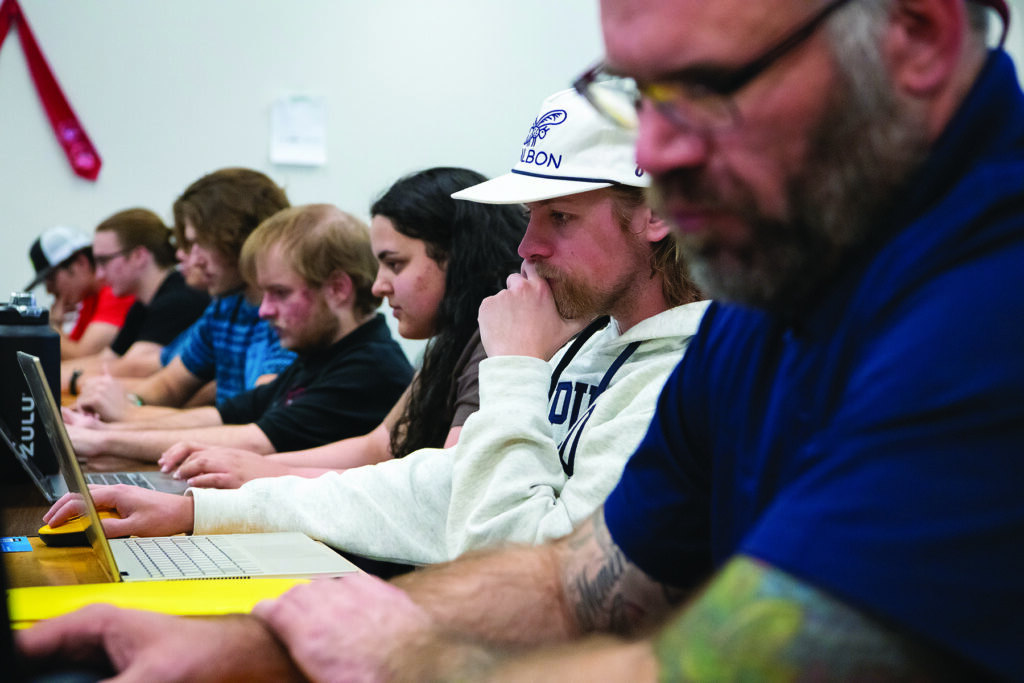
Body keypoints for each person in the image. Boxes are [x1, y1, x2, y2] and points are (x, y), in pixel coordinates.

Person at [19, 0, 1024, 680]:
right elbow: (574, 572)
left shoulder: (987, 306)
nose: (657, 152)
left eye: (704, 86)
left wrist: (397, 655)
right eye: (633, 92)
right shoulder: (777, 299)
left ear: (916, 34)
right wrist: (260, 645)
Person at [43, 87, 708, 570]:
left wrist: (515, 369)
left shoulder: (691, 372)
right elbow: (434, 488)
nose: (527, 245)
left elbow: (530, 570)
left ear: (657, 213)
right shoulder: (593, 343)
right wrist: (197, 512)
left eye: (559, 217)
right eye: (529, 217)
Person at [156, 166, 527, 487]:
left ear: (459, 257)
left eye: (394, 264)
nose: (379, 286)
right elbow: (379, 446)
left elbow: (447, 482)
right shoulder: (450, 342)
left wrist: (266, 472)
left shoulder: (491, 347)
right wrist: (253, 466)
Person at [62, 204, 413, 462]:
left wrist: (106, 440)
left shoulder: (368, 368)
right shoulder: (320, 356)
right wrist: (104, 432)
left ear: (337, 289)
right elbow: (223, 416)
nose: (263, 310)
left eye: (281, 293)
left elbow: (254, 440)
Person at [74, 167, 296, 416]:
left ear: (240, 239)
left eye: (198, 243)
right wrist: (126, 403)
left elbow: (255, 419)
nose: (191, 257)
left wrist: (127, 413)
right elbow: (169, 385)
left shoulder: (288, 315)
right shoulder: (224, 308)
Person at [59, 208, 211, 394]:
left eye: (104, 260)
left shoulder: (181, 297)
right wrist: (48, 374)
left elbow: (136, 366)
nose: (98, 274)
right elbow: (108, 359)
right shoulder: (142, 304)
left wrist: (61, 378)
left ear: (139, 256)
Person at [25, 225, 135, 359]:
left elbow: (80, 358)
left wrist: (51, 326)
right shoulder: (90, 299)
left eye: (51, 278)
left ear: (81, 263)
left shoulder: (115, 294)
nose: (49, 290)